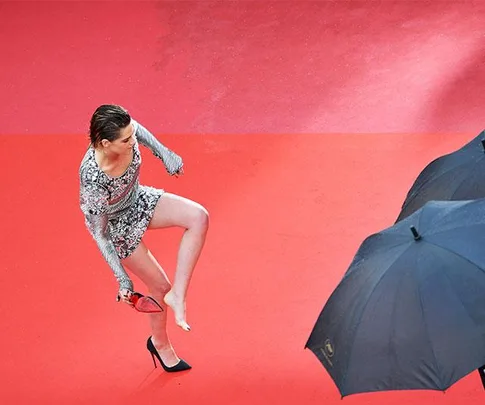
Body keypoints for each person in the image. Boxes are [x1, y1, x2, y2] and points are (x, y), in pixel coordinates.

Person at [79, 104, 209, 372]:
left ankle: (179, 297)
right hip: (116, 228)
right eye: (126, 140)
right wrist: (123, 280)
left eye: (131, 134)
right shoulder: (93, 179)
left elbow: (139, 130)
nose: (133, 140)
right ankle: (159, 344)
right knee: (159, 287)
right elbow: (100, 234)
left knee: (198, 217)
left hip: (137, 199)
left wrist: (165, 154)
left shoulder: (124, 132)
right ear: (105, 143)